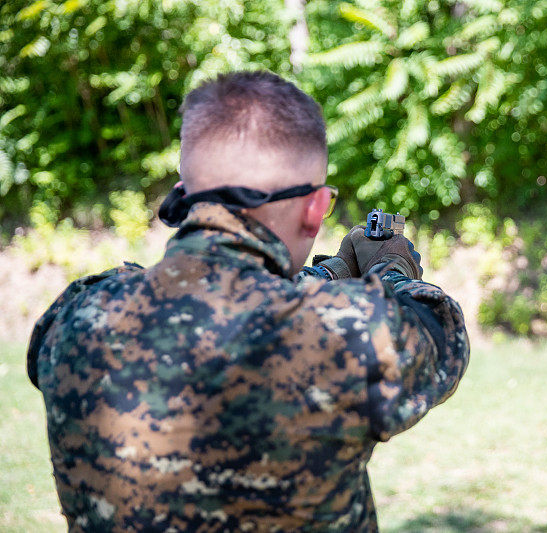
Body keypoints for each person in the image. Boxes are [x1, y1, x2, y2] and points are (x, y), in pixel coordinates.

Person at [26, 70, 470, 531]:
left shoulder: (75, 316)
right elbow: (438, 328)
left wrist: (331, 274)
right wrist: (390, 266)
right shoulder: (348, 334)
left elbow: (208, 298)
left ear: (182, 196)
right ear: (315, 208)